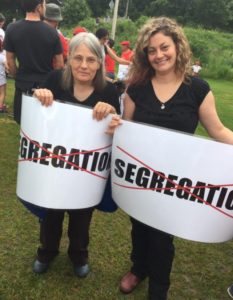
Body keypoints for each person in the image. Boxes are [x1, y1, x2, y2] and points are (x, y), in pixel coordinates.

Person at [107, 17, 233, 300]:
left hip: (173, 184)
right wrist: (116, 126)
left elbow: (218, 130)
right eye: (151, 50)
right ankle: (138, 267)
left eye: (164, 47)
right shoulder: (136, 88)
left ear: (178, 46)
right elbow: (126, 128)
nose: (158, 55)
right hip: (140, 176)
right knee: (139, 226)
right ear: (144, 54)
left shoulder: (197, 89)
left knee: (162, 239)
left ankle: (158, 289)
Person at [32, 32, 120, 277]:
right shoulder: (54, 80)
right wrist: (38, 95)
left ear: (100, 63)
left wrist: (112, 113)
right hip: (55, 166)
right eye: (78, 58)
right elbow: (34, 115)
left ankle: (78, 255)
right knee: (51, 214)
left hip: (86, 171)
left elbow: (116, 131)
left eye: (91, 59)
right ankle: (46, 251)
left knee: (82, 218)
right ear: (69, 58)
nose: (84, 65)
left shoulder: (108, 91)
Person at [3, 0, 64, 124]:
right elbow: (60, 64)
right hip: (46, 86)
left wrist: (17, 76)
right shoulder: (52, 32)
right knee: (43, 123)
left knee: (23, 123)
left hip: (22, 84)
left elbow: (10, 61)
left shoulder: (11, 29)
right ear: (39, 7)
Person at [0, 37, 7, 113]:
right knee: (2, 93)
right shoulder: (2, 57)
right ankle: (0, 107)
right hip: (1, 78)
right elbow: (7, 66)